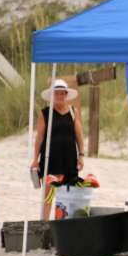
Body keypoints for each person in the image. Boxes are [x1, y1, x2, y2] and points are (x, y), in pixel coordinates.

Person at [30, 79, 85, 220]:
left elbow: (79, 135)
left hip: (69, 158)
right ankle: (45, 225)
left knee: (66, 196)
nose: (60, 96)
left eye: (62, 94)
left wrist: (81, 155)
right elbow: (39, 138)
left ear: (66, 95)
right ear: (52, 95)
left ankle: (60, 226)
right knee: (48, 195)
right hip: (51, 159)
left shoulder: (74, 111)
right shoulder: (45, 113)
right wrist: (35, 159)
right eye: (57, 93)